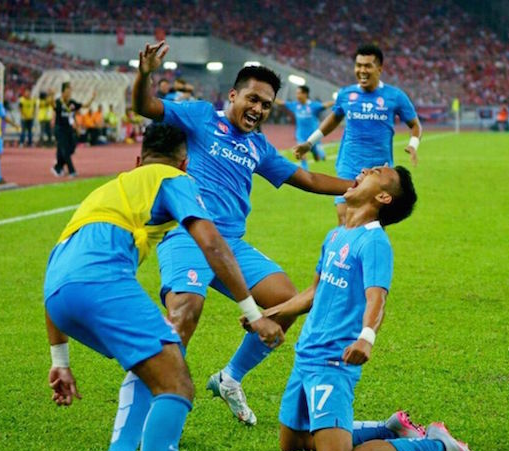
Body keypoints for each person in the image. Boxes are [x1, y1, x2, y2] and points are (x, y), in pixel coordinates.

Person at [43, 123, 283, 451]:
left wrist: (60, 361)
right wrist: (253, 310)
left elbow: (58, 262)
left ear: (138, 160)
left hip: (57, 291)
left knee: (156, 355)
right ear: (185, 162)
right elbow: (211, 243)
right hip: (101, 280)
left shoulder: (108, 190)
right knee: (176, 383)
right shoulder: (175, 178)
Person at [127, 41, 355, 431]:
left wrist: (357, 187)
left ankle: (230, 378)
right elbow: (145, 108)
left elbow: (310, 178)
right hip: (188, 236)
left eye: (266, 105)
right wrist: (145, 73)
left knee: (287, 301)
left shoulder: (259, 147)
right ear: (233, 95)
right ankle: (148, 417)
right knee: (183, 315)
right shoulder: (199, 117)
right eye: (253, 99)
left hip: (231, 245)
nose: (258, 109)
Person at [263, 165, 473, 451]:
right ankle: (391, 428)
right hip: (306, 354)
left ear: (383, 196)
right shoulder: (336, 234)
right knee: (291, 442)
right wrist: (269, 314)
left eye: (374, 172)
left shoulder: (375, 243)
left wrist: (366, 338)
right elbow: (314, 292)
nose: (363, 170)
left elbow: (377, 298)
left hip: (333, 361)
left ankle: (438, 445)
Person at [294, 44, 422, 225]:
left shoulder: (395, 96)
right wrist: (309, 143)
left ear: (379, 68)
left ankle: (370, 252)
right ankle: (342, 254)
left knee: (373, 221)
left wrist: (413, 144)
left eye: (367, 66)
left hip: (379, 171)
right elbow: (333, 119)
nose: (362, 70)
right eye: (358, 65)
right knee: (344, 218)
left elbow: (415, 125)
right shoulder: (346, 94)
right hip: (349, 165)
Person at [275, 85, 333, 170]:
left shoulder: (313, 106)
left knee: (319, 158)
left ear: (305, 94)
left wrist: (337, 102)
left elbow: (325, 105)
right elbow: (281, 102)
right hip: (301, 136)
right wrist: (270, 97)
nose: (297, 95)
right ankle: (305, 172)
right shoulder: (295, 105)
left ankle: (317, 152)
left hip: (313, 137)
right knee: (301, 155)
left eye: (299, 93)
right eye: (296, 93)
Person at [53, 82, 94, 178]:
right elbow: (52, 106)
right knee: (65, 150)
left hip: (69, 129)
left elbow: (85, 106)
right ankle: (72, 171)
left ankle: (58, 167)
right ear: (63, 92)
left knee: (71, 148)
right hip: (59, 129)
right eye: (68, 90)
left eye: (70, 90)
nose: (70, 92)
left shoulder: (72, 103)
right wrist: (51, 95)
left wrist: (92, 98)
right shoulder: (58, 102)